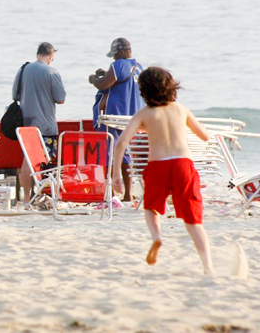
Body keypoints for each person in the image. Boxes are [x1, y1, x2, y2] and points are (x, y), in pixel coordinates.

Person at [112, 67, 215, 275]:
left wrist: (116, 175)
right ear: (171, 87)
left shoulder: (144, 114)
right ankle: (208, 267)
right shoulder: (180, 109)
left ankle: (157, 236)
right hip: (183, 165)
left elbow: (121, 142)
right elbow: (205, 136)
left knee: (151, 207)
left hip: (158, 165)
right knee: (193, 221)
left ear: (143, 91)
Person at [12, 42, 66, 208]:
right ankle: (43, 194)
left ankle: (27, 199)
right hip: (46, 124)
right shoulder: (52, 72)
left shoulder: (23, 70)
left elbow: (15, 94)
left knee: (27, 161)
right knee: (45, 162)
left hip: (27, 125)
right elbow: (61, 98)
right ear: (51, 56)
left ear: (37, 54)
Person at [89, 37, 144, 201]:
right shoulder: (139, 67)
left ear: (120, 52)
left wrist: (93, 79)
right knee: (125, 153)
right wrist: (105, 76)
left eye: (114, 54)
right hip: (132, 116)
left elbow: (104, 85)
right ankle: (128, 194)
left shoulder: (117, 65)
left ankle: (112, 193)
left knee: (109, 153)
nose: (113, 58)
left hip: (114, 116)